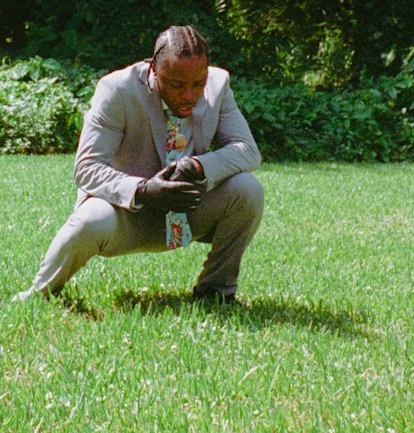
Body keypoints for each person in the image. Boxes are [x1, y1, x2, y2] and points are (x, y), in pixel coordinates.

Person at [20, 25, 263, 301]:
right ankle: (38, 294)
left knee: (248, 189)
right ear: (154, 71)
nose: (189, 95)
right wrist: (144, 190)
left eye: (198, 84)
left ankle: (216, 292)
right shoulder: (117, 90)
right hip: (126, 213)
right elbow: (86, 168)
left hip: (188, 212)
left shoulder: (218, 84)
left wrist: (198, 166)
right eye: (176, 85)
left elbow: (248, 151)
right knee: (89, 220)